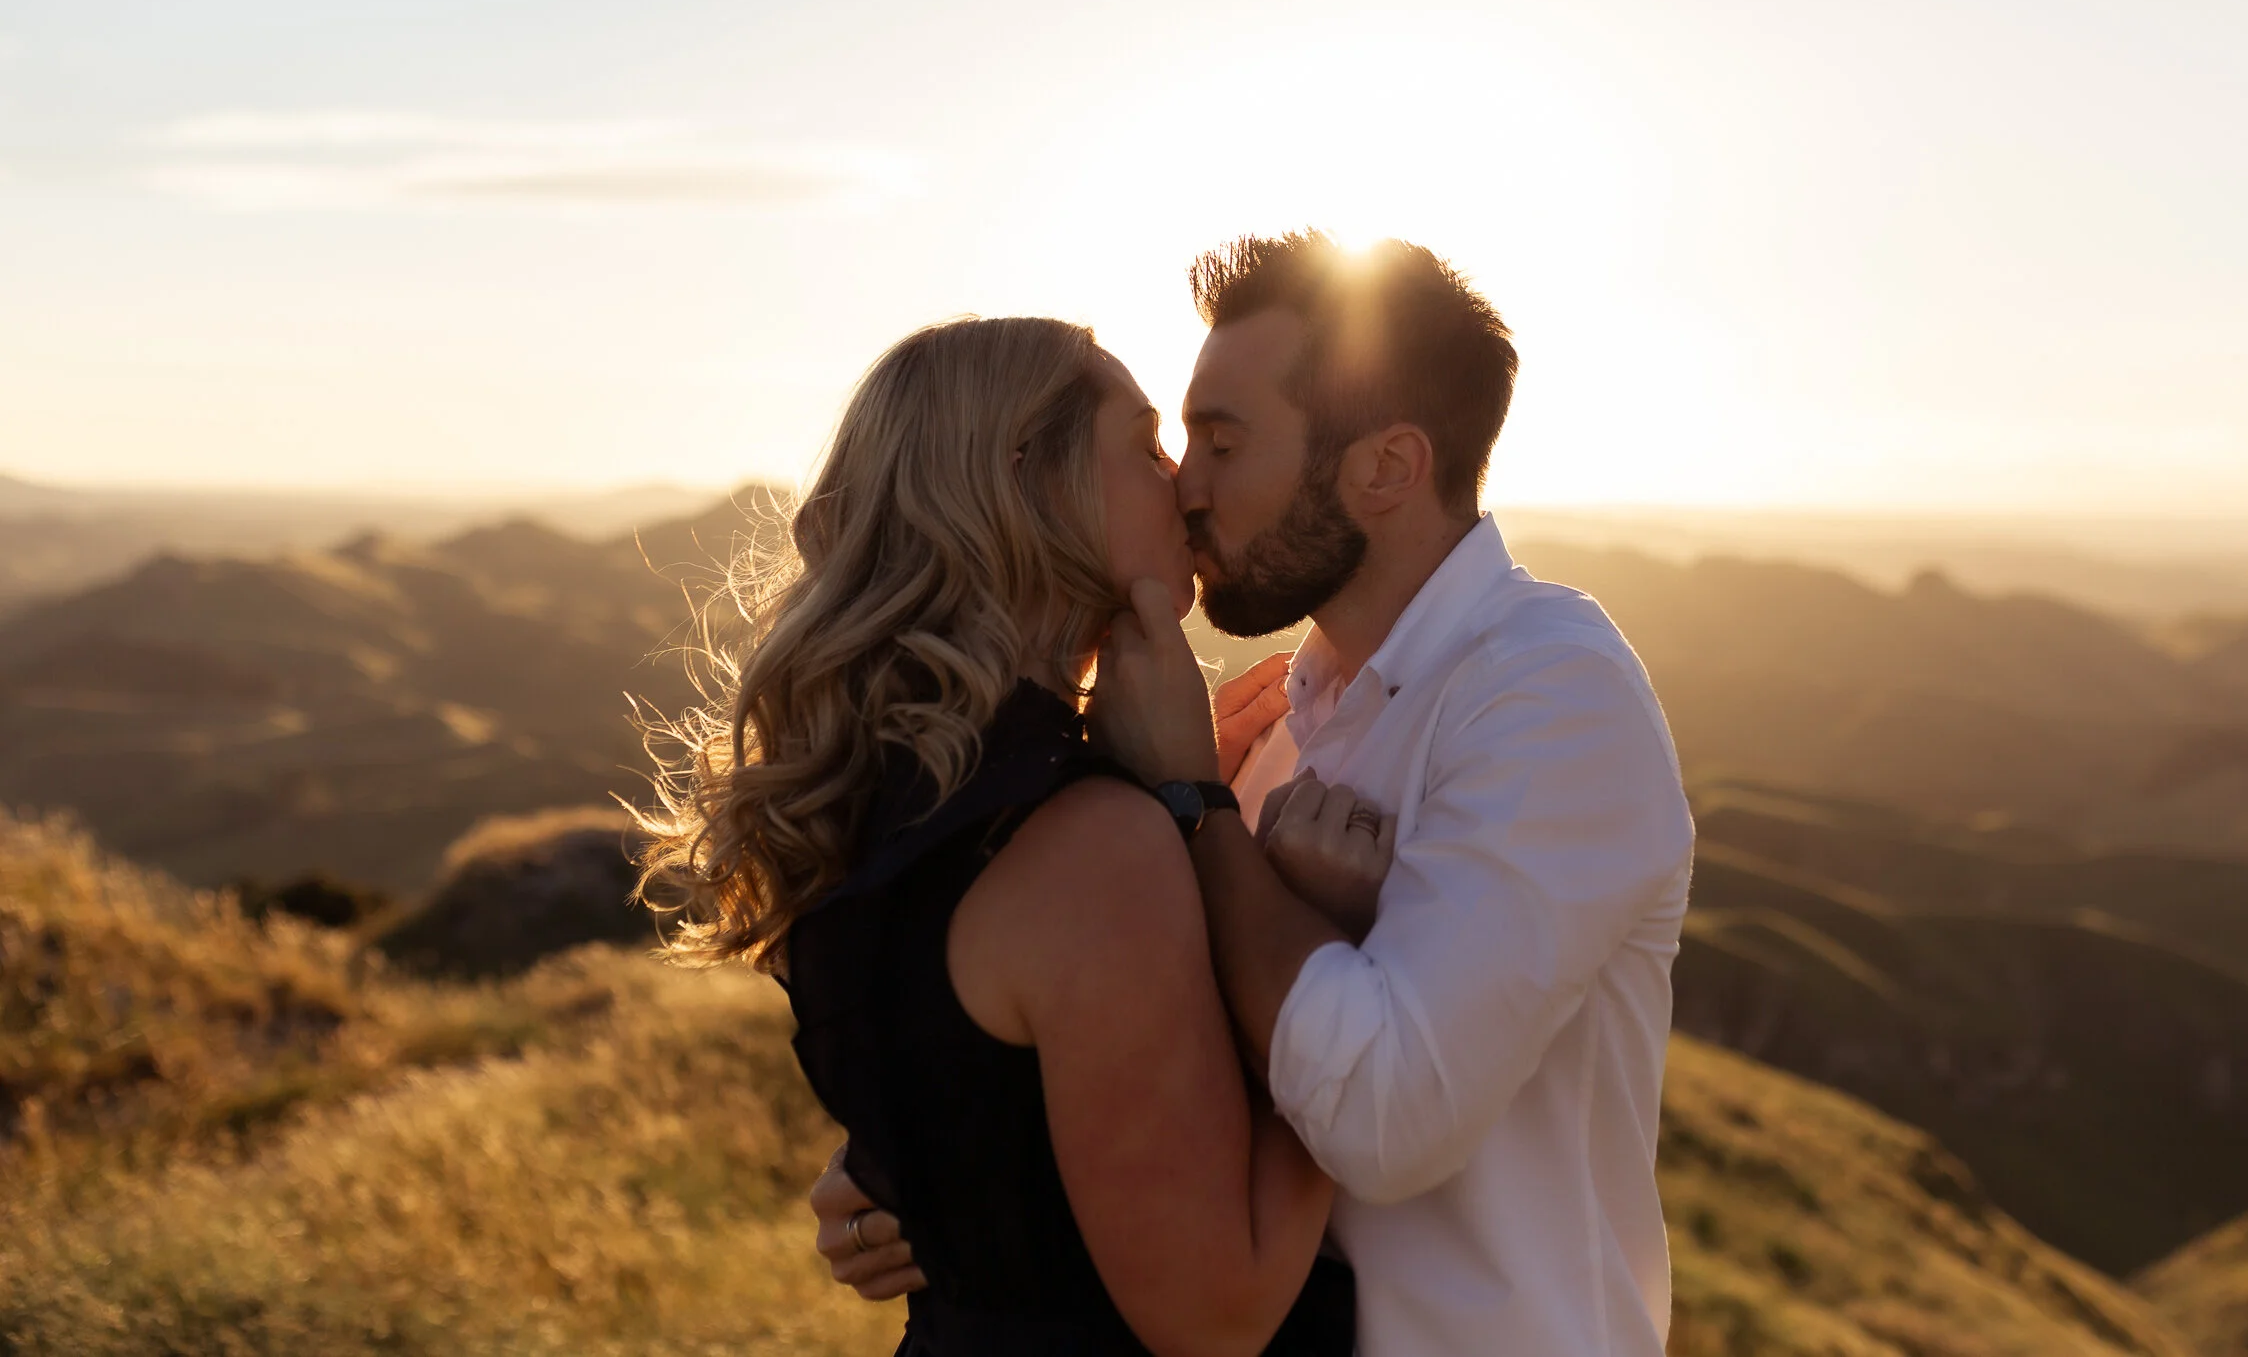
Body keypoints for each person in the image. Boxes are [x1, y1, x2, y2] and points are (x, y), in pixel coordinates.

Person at [818, 234, 1698, 1356]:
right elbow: (1138, 1045)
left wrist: (1196, 808)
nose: (1185, 485)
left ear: (1384, 467)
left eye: (1220, 443)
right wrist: (931, 1154)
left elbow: (1382, 1116)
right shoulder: (1275, 718)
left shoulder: (1551, 692)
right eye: (1178, 441)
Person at [635, 316, 1363, 1357]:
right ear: (1029, 481)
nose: (1181, 482)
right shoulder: (1085, 845)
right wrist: (1326, 938)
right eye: (1142, 442)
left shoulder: (867, 796)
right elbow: (1219, 1311)